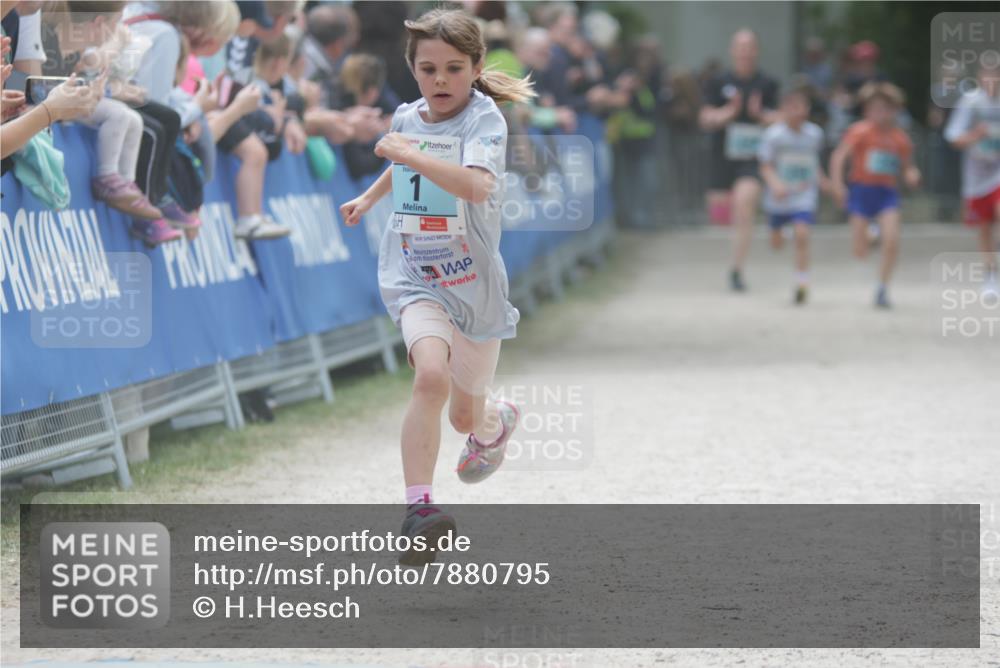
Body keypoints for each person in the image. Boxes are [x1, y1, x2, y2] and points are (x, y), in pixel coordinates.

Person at [338, 8, 534, 566]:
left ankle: (495, 423)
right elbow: (403, 162)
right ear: (412, 69)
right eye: (428, 69)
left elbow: (475, 188)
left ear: (475, 67)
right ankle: (418, 510)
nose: (440, 80)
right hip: (415, 273)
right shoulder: (407, 116)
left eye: (453, 68)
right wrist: (370, 198)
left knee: (464, 418)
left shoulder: (484, 120)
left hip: (473, 285)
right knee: (429, 377)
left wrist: (410, 154)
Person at [699, 29, 780, 292]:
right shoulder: (717, 82)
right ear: (732, 51)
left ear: (756, 51)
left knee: (744, 206)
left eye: (750, 47)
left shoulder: (768, 83)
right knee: (721, 215)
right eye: (740, 47)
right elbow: (705, 118)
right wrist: (729, 112)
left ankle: (737, 269)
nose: (745, 52)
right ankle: (722, 261)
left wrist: (760, 115)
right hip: (722, 156)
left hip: (753, 158)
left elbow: (781, 120)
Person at [829, 82, 920, 309]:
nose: (881, 114)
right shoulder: (859, 131)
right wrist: (838, 185)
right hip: (861, 191)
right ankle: (872, 233)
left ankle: (882, 287)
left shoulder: (900, 138)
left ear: (894, 111)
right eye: (876, 108)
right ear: (867, 110)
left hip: (886, 193)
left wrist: (912, 174)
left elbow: (907, 166)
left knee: (892, 240)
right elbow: (839, 158)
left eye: (886, 109)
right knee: (860, 251)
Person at [758, 86, 829, 305]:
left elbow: (813, 162)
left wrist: (824, 181)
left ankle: (802, 282)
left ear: (807, 109)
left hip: (803, 194)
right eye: (791, 107)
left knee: (803, 234)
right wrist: (775, 184)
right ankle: (785, 233)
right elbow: (765, 165)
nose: (796, 111)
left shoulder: (815, 134)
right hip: (779, 197)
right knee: (776, 244)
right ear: (783, 109)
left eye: (800, 106)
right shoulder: (774, 135)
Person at [945, 60, 1000, 294]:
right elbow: (954, 137)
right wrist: (976, 134)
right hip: (977, 177)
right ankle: (990, 275)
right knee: (984, 227)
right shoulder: (970, 102)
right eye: (988, 74)